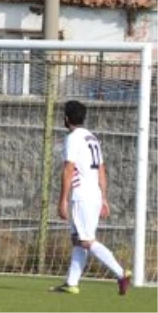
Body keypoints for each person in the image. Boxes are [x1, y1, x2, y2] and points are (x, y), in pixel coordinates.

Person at [52, 100, 130, 296]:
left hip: (82, 196)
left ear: (66, 118)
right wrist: (104, 198)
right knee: (78, 239)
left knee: (86, 240)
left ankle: (121, 273)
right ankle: (71, 283)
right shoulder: (91, 137)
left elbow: (69, 169)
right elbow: (101, 170)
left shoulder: (73, 138)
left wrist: (62, 200)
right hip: (93, 194)